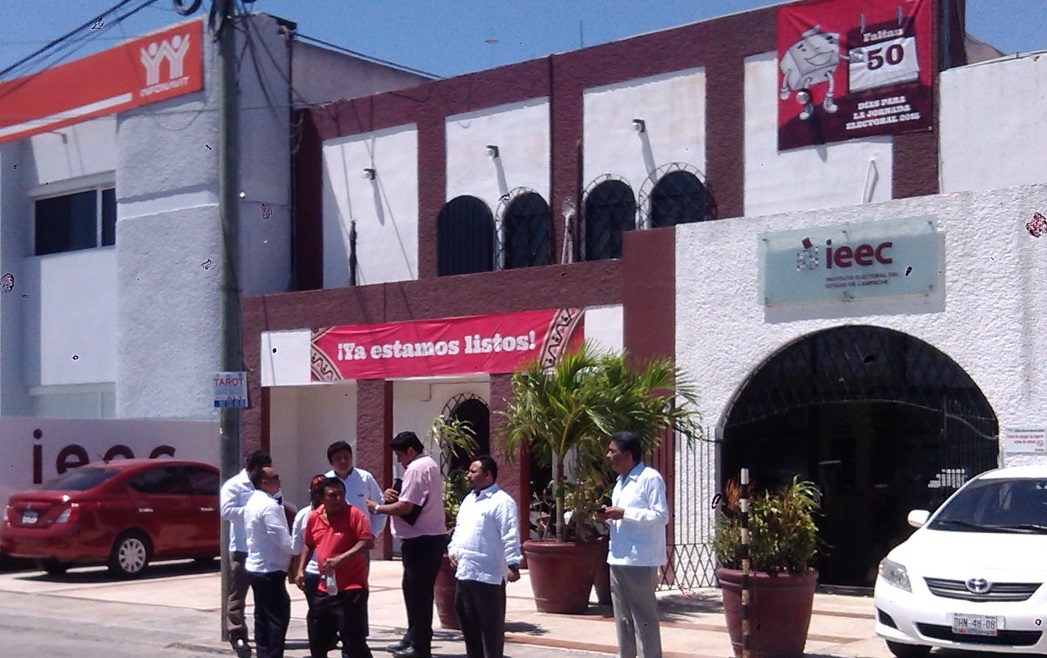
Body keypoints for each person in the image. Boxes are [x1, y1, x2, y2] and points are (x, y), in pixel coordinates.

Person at [366, 431, 445, 658]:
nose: (400, 461)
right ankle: (412, 637)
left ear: (410, 451)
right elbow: (407, 500)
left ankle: (420, 646)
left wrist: (376, 508)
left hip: (422, 541)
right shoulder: (427, 465)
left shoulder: (417, 468)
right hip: (423, 540)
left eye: (400, 456)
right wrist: (392, 496)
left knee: (419, 595)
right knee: (412, 591)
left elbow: (407, 507)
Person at [596, 431, 668, 658]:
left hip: (640, 560)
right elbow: (622, 520)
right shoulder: (620, 482)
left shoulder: (650, 478)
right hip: (617, 557)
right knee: (623, 619)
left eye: (612, 451)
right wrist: (607, 516)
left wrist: (624, 513)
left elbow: (660, 515)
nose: (608, 456)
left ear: (627, 454)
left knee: (643, 618)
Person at [447, 455, 522, 658]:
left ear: (487, 475)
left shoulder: (502, 502)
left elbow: (510, 534)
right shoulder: (469, 500)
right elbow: (459, 529)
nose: (468, 475)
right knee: (468, 626)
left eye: (473, 471)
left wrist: (513, 564)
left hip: (488, 576)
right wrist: (453, 549)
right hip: (465, 572)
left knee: (490, 630)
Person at [297, 477, 375, 658]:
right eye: (333, 495)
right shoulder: (314, 517)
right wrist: (300, 569)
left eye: (341, 494)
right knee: (317, 637)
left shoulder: (354, 514)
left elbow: (366, 542)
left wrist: (341, 559)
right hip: (325, 588)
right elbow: (309, 543)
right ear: (321, 497)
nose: (339, 499)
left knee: (353, 641)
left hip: (351, 589)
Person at [220, 449, 273, 658]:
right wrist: (253, 512)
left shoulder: (267, 483)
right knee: (237, 595)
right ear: (251, 469)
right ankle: (237, 634)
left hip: (264, 547)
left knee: (266, 595)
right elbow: (226, 511)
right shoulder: (234, 485)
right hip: (242, 548)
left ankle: (265, 634)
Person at [244, 465, 295, 658]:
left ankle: (263, 654)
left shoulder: (253, 501)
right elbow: (282, 538)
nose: (279, 480)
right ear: (264, 482)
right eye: (276, 477)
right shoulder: (268, 506)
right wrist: (297, 549)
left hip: (257, 567)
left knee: (262, 617)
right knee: (277, 618)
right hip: (269, 569)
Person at [290, 474, 328, 608]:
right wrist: (299, 571)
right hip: (317, 572)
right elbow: (301, 546)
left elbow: (295, 548)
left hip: (323, 572)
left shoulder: (302, 515)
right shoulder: (305, 515)